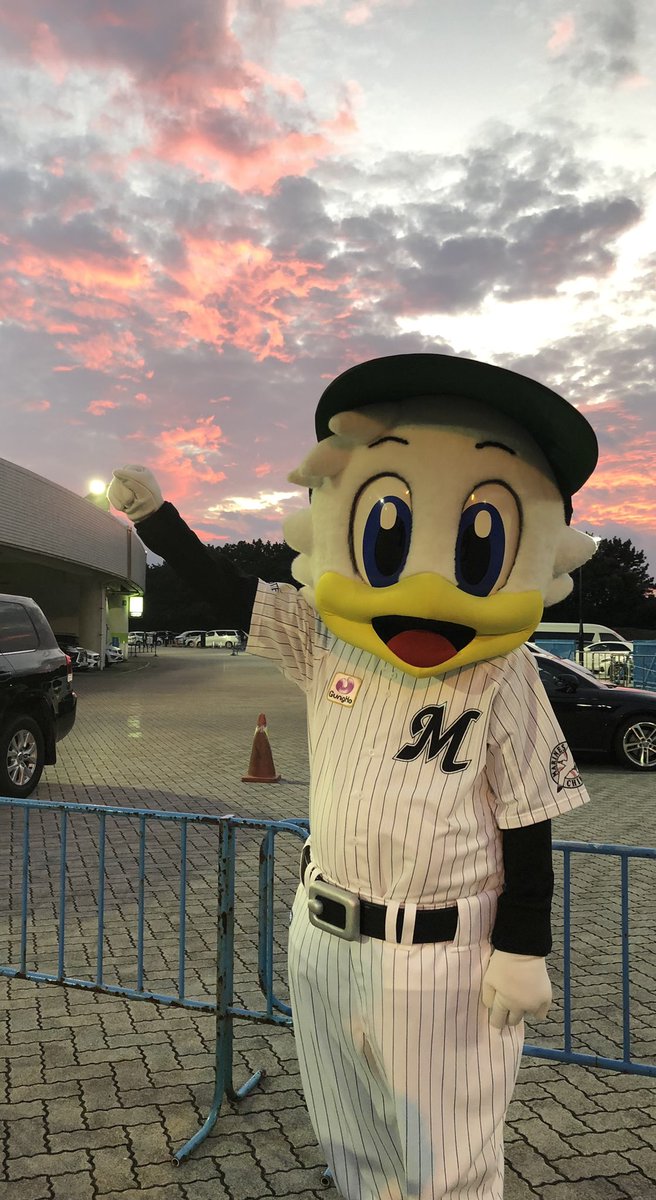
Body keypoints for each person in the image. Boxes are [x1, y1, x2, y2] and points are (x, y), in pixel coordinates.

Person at [109, 352, 599, 1200]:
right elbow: (230, 594)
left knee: (447, 1168)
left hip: (441, 958)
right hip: (323, 936)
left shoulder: (502, 670)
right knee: (353, 1151)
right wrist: (160, 522)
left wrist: (523, 945)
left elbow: (530, 812)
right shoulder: (323, 636)